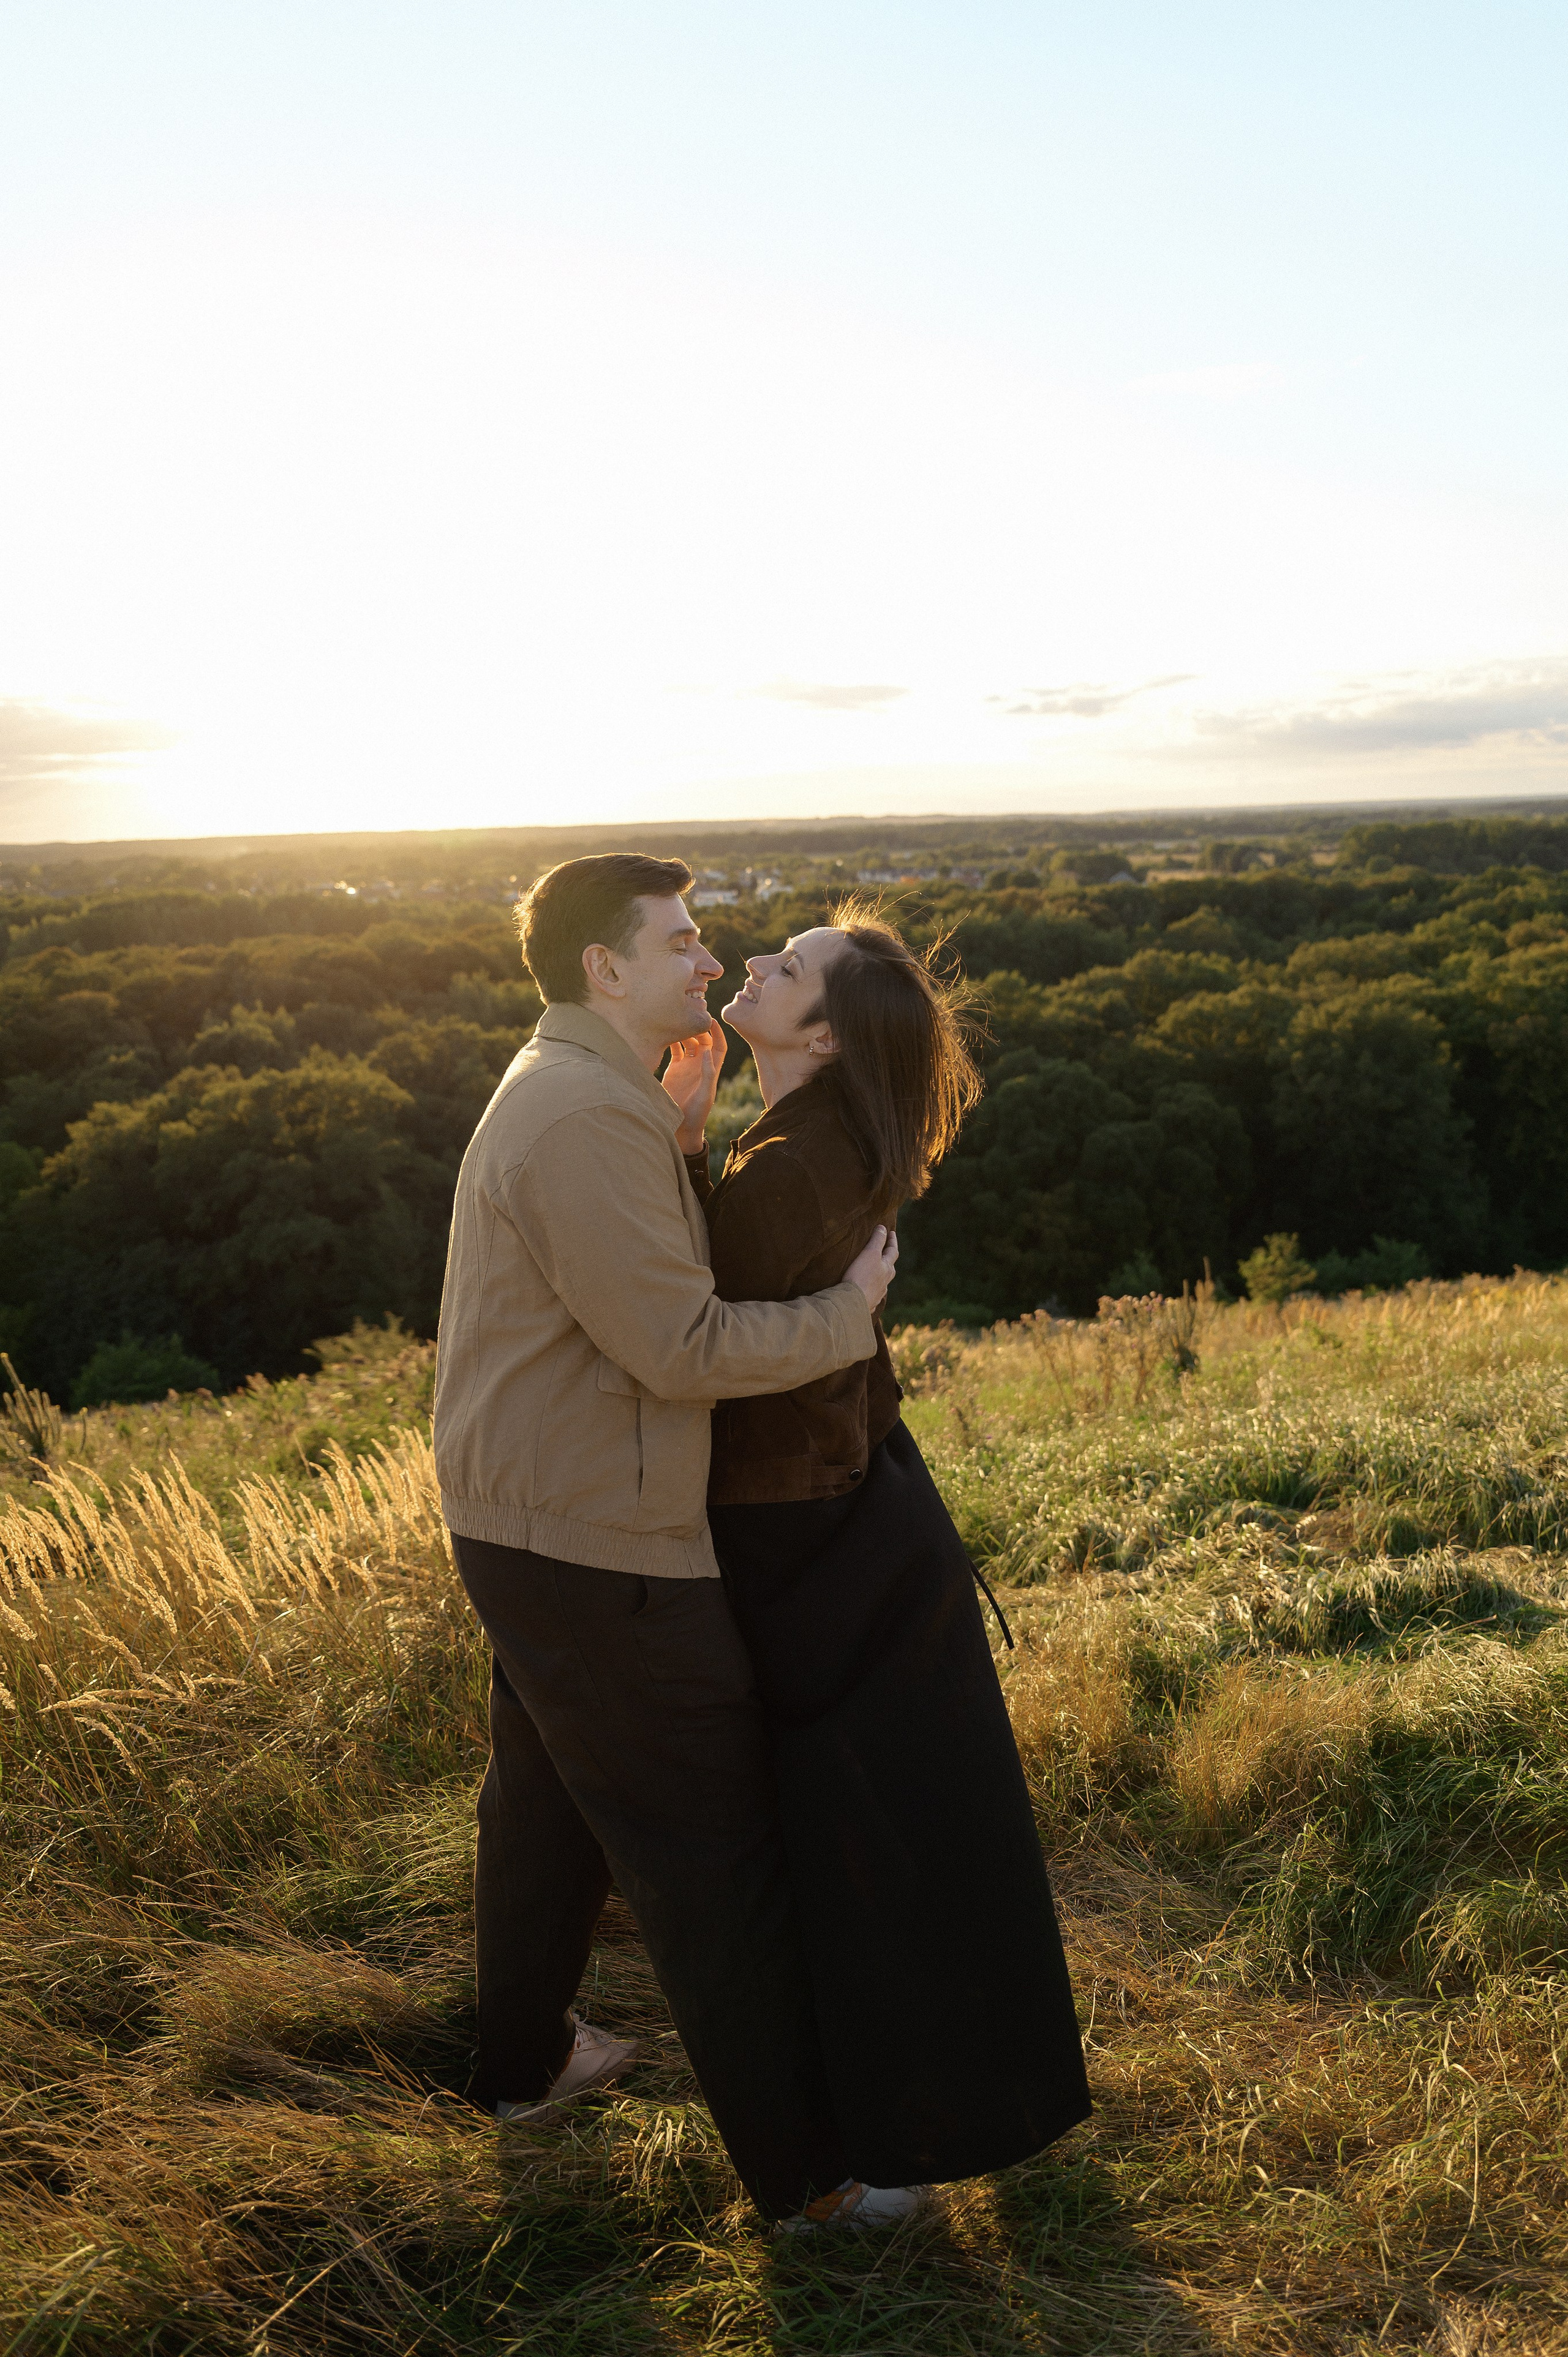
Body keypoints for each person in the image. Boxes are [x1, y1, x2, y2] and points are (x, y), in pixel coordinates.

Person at [432, 852, 902, 2229]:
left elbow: (637, 1274)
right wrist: (849, 1315)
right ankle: (812, 2185)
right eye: (682, 943)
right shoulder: (579, 1115)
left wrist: (687, 1143)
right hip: (598, 1542)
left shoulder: (596, 1097)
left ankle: (525, 2069)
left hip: (535, 1518)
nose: (709, 964)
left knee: (550, 1811)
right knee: (712, 1855)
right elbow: (678, 1342)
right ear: (605, 968)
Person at [696, 903, 1091, 2216]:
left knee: (857, 1840)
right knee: (918, 1828)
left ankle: (898, 2151)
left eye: (787, 966)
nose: (755, 962)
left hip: (810, 1536)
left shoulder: (794, 1165)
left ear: (818, 1030)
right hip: (851, 1516)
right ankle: (948, 2117)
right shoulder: (804, 1138)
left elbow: (667, 1309)